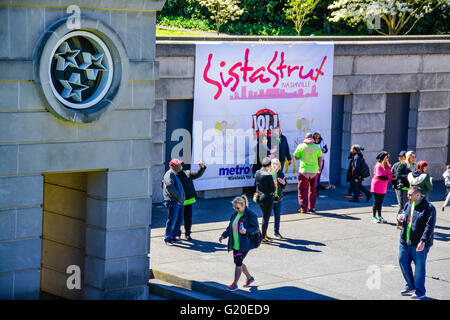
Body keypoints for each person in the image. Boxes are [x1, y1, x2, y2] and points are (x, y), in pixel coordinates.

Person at [397, 186, 436, 299]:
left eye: (410, 195)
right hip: (405, 240)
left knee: (419, 268)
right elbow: (403, 213)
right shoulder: (409, 204)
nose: (408, 197)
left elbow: (430, 226)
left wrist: (423, 241)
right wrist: (399, 217)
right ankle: (410, 285)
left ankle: (420, 291)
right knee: (402, 260)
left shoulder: (429, 208)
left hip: (419, 243)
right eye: (408, 194)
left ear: (418, 195)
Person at [219, 195, 259, 291]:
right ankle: (249, 278)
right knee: (238, 262)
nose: (236, 209)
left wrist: (246, 231)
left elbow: (256, 228)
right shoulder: (235, 214)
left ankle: (235, 284)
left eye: (238, 207)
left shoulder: (250, 214)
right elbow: (230, 227)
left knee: (238, 263)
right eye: (234, 207)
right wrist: (223, 235)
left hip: (244, 244)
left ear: (243, 205)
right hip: (235, 244)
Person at [176, 161, 207, 241]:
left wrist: (202, 168)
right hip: (178, 201)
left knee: (188, 219)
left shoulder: (187, 173)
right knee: (178, 218)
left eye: (180, 165)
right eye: (178, 165)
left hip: (188, 201)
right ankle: (177, 233)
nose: (180, 166)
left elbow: (197, 174)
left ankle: (187, 234)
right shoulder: (172, 175)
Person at [294, 133, 323, 214]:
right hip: (314, 171)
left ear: (305, 138)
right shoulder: (317, 147)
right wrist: (319, 169)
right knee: (313, 190)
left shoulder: (301, 146)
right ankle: (312, 208)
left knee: (302, 190)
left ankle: (303, 209)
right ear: (312, 138)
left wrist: (302, 155)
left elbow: (296, 157)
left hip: (304, 171)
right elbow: (320, 159)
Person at [162, 159, 185, 245]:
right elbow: (169, 186)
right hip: (173, 201)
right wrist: (178, 197)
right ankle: (168, 239)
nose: (181, 166)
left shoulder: (175, 174)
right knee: (172, 220)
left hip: (178, 202)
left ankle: (174, 237)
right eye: (179, 165)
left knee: (178, 220)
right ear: (173, 166)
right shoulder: (170, 173)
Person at [255, 157, 276, 243]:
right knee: (265, 218)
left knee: (264, 216)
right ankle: (263, 237)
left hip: (259, 197)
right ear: (268, 166)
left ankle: (264, 234)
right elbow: (273, 189)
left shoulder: (257, 172)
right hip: (267, 198)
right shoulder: (268, 175)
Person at [370, 151, 393, 223]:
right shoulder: (379, 165)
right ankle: (374, 217)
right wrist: (389, 178)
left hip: (383, 186)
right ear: (383, 158)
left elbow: (389, 174)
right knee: (376, 201)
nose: (387, 159)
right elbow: (380, 176)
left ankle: (379, 216)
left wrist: (392, 177)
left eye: (388, 158)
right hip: (377, 185)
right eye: (386, 158)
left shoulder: (386, 165)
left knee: (380, 202)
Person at [270, 158, 287, 238]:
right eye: (273, 163)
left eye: (276, 164)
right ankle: (264, 234)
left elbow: (284, 186)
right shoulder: (267, 174)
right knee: (266, 217)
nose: (275, 165)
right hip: (269, 199)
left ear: (279, 165)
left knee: (277, 215)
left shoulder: (280, 174)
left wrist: (283, 183)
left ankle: (276, 232)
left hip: (278, 198)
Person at [313, 131, 328, 196]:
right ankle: (312, 190)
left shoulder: (322, 141)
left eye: (318, 134)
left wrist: (324, 150)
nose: (317, 136)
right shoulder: (312, 141)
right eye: (315, 134)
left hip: (321, 160)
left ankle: (316, 190)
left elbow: (326, 149)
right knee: (313, 174)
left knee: (318, 174)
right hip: (313, 160)